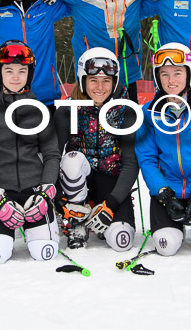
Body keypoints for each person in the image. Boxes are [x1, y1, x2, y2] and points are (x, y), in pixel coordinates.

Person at [0, 41, 61, 264]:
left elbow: (51, 155)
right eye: (8, 70)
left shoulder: (40, 110)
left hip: (34, 194)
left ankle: (38, 226)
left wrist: (45, 192)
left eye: (22, 71)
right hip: (2, 194)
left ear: (30, 74)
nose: (15, 77)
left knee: (45, 254)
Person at [135, 43, 191, 257]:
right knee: (166, 247)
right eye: (164, 74)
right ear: (158, 78)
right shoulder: (148, 113)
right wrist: (163, 194)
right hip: (167, 192)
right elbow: (147, 159)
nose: (171, 80)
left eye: (178, 73)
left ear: (190, 75)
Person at [54, 47, 138, 251]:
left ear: (114, 81)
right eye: (93, 80)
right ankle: (77, 221)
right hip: (78, 181)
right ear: (83, 80)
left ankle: (104, 214)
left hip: (112, 180)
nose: (100, 87)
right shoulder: (68, 109)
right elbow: (52, 156)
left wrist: (112, 202)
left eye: (106, 81)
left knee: (121, 241)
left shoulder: (126, 110)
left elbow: (131, 162)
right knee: (72, 159)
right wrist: (58, 199)